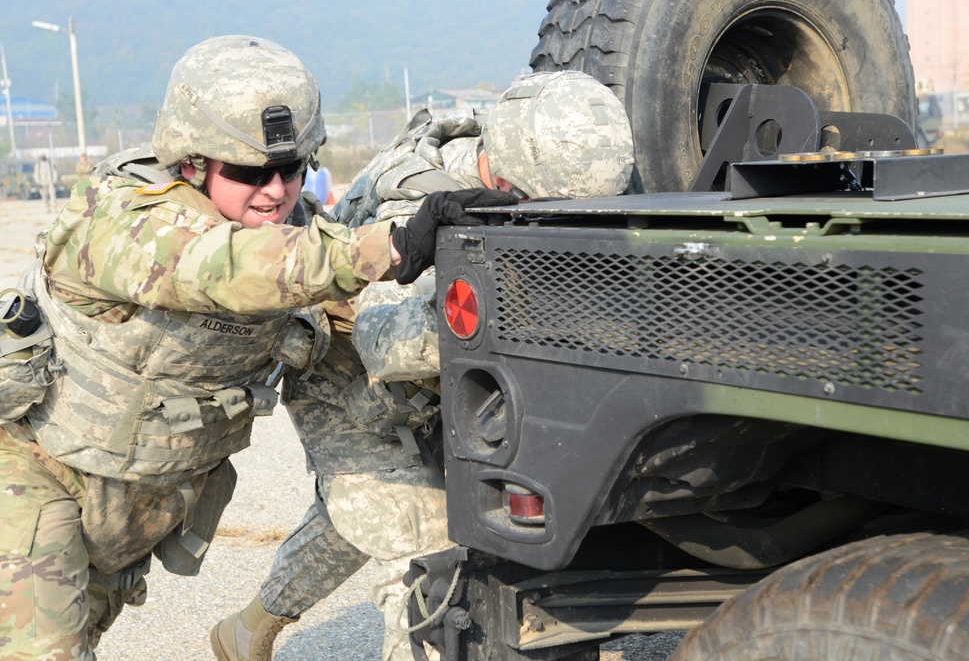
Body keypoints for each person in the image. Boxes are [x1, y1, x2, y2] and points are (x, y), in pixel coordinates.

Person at [0, 34, 495, 661]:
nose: (274, 191)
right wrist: (388, 247)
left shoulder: (300, 240)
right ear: (191, 163)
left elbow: (348, 328)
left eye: (291, 170)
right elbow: (222, 265)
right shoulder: (121, 217)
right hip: (33, 485)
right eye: (248, 173)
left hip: (134, 512)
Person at [211, 70, 635, 661]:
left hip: (456, 389)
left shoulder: (568, 168)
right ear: (509, 175)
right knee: (424, 546)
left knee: (359, 514)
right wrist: (512, 315)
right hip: (349, 381)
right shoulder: (417, 201)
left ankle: (248, 625)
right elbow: (381, 339)